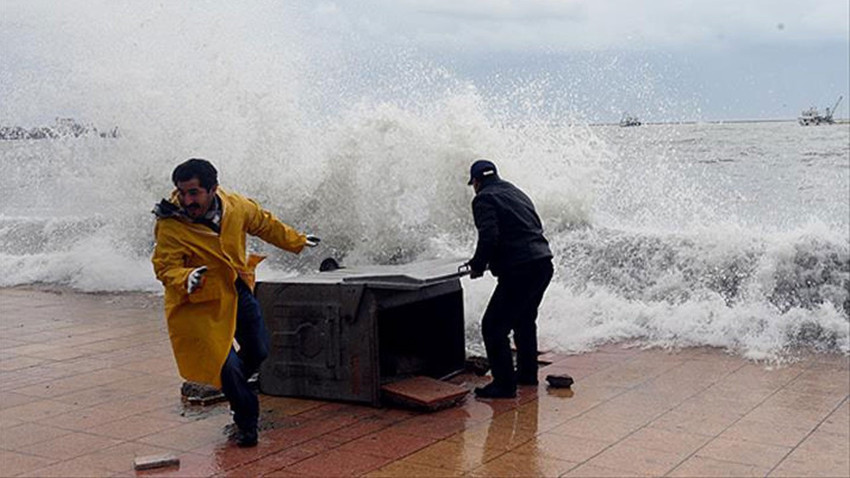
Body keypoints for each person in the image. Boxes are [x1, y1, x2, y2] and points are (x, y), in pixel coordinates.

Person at [151, 158, 319, 447]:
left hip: (236, 288)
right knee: (226, 366)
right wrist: (186, 276)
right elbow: (165, 267)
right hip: (198, 302)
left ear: (213, 189)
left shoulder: (236, 206)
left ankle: (233, 385)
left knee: (259, 349)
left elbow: (265, 224)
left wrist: (297, 241)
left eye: (194, 193)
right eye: (182, 192)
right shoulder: (170, 224)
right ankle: (246, 422)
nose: (186, 200)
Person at [465, 159, 553, 399]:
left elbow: (489, 236)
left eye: (473, 183)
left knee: (493, 327)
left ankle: (504, 385)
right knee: (524, 320)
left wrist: (477, 265)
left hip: (521, 270)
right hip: (543, 264)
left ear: (476, 181)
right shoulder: (516, 192)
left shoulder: (483, 198)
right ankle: (526, 374)